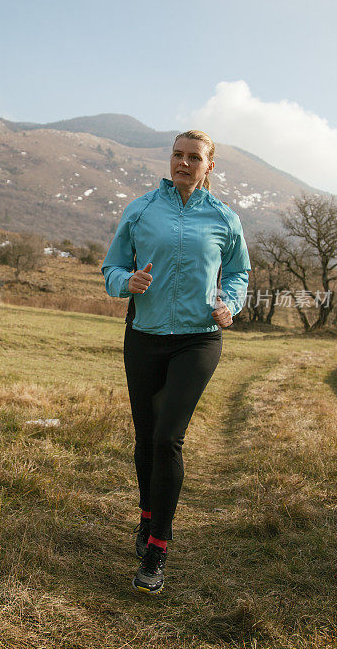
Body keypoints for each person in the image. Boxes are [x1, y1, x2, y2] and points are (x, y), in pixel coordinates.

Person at [101, 130, 251, 595]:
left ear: (210, 167)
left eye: (194, 158)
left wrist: (230, 302)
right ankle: (147, 517)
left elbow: (241, 273)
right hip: (144, 336)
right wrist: (127, 282)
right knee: (146, 437)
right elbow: (111, 268)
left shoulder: (224, 219)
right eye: (177, 155)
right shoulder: (142, 209)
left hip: (198, 340)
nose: (183, 163)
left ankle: (157, 550)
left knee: (168, 439)